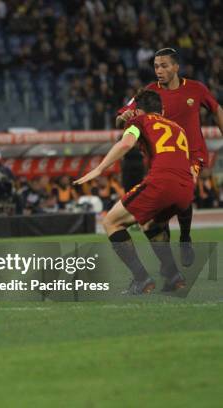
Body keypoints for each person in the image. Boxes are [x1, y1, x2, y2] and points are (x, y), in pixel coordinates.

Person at [76, 89, 195, 295]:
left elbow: (126, 143)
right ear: (162, 110)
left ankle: (142, 279)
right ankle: (174, 277)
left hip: (161, 183)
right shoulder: (178, 127)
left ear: (138, 110)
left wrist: (99, 169)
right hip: (186, 189)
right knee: (150, 224)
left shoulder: (139, 121)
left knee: (110, 222)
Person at [116, 48, 223, 266]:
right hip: (160, 158)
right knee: (161, 208)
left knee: (185, 189)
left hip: (192, 155)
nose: (159, 70)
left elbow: (216, 109)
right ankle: (168, 258)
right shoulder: (149, 92)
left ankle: (185, 237)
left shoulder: (196, 89)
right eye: (156, 66)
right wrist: (124, 117)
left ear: (176, 67)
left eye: (164, 65)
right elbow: (120, 117)